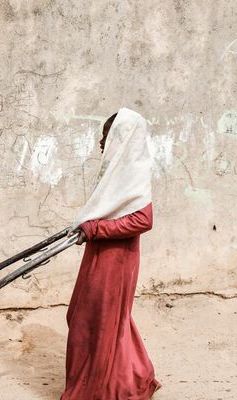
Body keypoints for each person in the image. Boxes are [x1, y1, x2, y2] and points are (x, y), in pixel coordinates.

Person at [62, 108, 160, 400]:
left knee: (96, 320)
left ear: (122, 138)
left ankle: (98, 389)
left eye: (106, 136)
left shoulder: (134, 172)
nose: (101, 143)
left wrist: (96, 230)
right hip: (100, 254)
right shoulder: (115, 171)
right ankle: (133, 375)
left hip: (116, 259)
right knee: (93, 317)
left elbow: (144, 220)